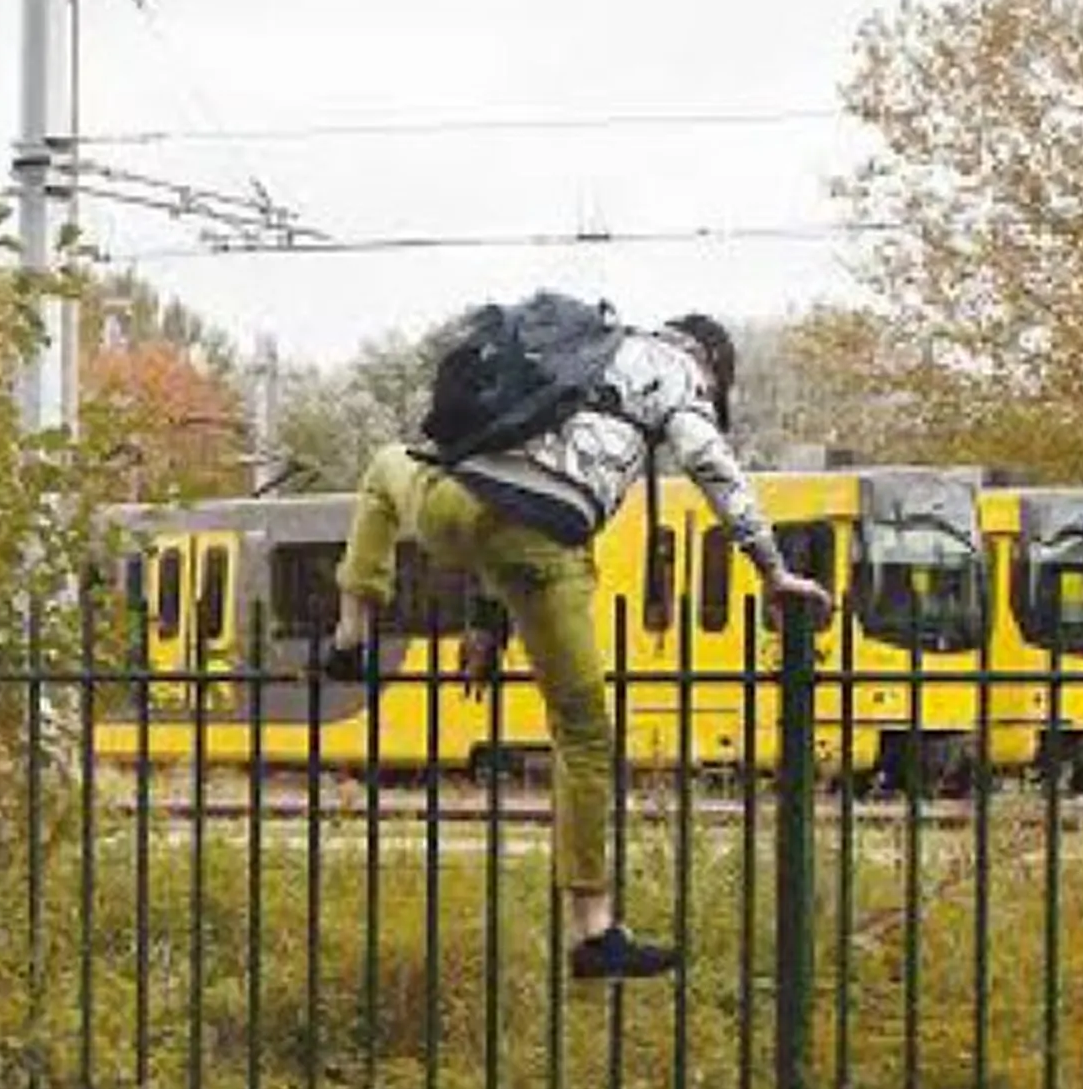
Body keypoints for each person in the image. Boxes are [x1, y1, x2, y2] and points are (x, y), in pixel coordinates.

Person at [327, 312, 830, 980]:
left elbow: (507, 470)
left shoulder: (581, 350)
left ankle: (351, 629)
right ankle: (594, 930)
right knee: (585, 736)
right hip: (543, 544)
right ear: (710, 364)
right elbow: (708, 461)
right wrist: (771, 567)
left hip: (452, 506)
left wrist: (485, 622)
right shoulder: (675, 370)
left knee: (386, 465)